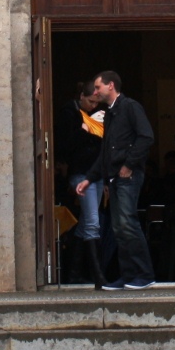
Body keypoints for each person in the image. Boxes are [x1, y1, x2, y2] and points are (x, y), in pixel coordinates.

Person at [76, 70, 157, 290]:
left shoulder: (131, 107)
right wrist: (89, 179)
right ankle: (128, 275)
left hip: (128, 176)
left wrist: (129, 165)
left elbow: (146, 137)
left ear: (110, 85)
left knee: (128, 223)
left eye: (98, 87)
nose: (95, 92)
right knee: (119, 228)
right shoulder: (110, 113)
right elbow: (105, 152)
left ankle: (144, 274)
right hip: (114, 177)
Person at [55, 81, 106, 288]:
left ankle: (74, 274)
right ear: (81, 97)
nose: (94, 106)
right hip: (80, 172)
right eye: (91, 101)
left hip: (97, 172)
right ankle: (98, 276)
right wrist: (85, 129)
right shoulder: (69, 113)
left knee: (85, 223)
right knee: (93, 222)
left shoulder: (97, 114)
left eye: (96, 102)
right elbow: (64, 145)